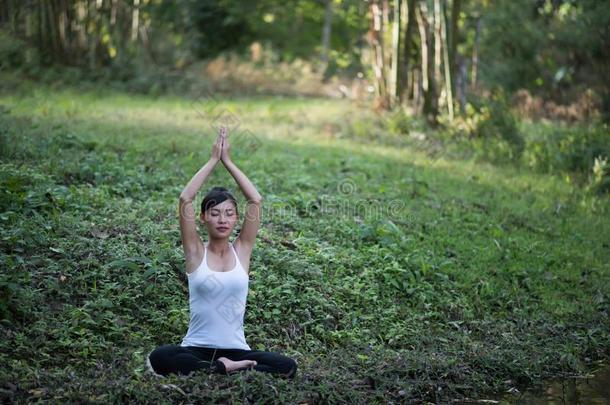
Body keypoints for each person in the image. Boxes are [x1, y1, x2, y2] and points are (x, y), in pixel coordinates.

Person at [147, 126, 297, 379]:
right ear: (203, 217)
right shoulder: (195, 252)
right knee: (160, 356)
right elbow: (185, 199)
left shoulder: (242, 251)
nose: (222, 219)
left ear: (237, 218)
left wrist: (228, 161)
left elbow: (256, 200)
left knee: (287, 365)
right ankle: (226, 369)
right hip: (196, 348)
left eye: (229, 213)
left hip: (238, 350)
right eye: (215, 213)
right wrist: (212, 160)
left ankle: (228, 366)